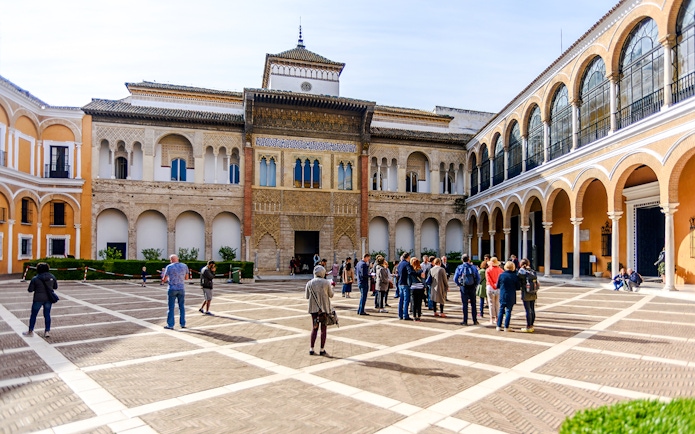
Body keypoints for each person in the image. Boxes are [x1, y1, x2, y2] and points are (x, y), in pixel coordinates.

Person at [23, 262, 57, 338]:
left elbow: (30, 290)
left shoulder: (35, 278)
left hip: (38, 298)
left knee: (34, 315)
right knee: (47, 314)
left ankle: (30, 330)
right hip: (48, 298)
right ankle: (47, 331)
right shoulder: (52, 277)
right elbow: (55, 287)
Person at [305, 265, 334, 356]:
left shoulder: (309, 283)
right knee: (323, 329)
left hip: (314, 310)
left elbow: (307, 296)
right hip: (324, 309)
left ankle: (311, 348)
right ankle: (322, 349)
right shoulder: (326, 283)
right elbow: (331, 295)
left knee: (314, 328)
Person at [162, 254, 189, 330]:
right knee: (182, 307)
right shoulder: (184, 266)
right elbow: (186, 278)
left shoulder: (169, 267)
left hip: (172, 288)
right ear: (178, 259)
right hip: (181, 288)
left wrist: (166, 280)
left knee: (171, 307)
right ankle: (182, 323)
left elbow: (164, 279)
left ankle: (170, 324)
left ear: (171, 260)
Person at [454, 254, 480, 326]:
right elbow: (478, 278)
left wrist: (459, 284)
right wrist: (475, 284)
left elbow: (455, 278)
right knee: (473, 304)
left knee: (465, 304)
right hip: (472, 287)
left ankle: (465, 321)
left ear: (462, 260)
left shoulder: (460, 267)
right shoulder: (473, 267)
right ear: (469, 259)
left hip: (464, 287)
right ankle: (475, 320)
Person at [496, 261, 520, 332]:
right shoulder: (515, 276)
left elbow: (498, 285)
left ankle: (498, 326)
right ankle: (506, 326)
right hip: (511, 294)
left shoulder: (501, 275)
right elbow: (518, 287)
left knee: (501, 310)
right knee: (508, 311)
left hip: (503, 294)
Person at [517, 258, 538, 333]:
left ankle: (528, 326)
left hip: (526, 292)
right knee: (532, 309)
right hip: (533, 292)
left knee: (527, 310)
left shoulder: (522, 272)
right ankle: (532, 324)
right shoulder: (532, 271)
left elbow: (518, 279)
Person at [486, 257, 504, 325]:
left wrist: (493, 286)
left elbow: (489, 280)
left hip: (490, 287)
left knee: (491, 304)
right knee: (497, 304)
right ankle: (497, 318)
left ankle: (492, 318)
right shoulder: (501, 270)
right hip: (499, 288)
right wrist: (497, 286)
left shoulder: (488, 270)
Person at [397, 252, 414, 320]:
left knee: (401, 299)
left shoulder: (400, 264)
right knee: (406, 300)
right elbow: (410, 272)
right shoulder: (407, 264)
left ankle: (400, 314)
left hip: (400, 283)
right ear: (408, 257)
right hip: (405, 283)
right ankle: (405, 315)